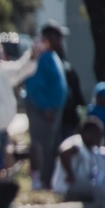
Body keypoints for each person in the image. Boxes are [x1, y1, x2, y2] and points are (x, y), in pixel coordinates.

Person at [23, 22, 69, 190]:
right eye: (58, 37)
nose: (61, 41)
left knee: (51, 147)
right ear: (49, 38)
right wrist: (46, 107)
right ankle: (41, 181)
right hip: (42, 110)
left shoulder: (53, 55)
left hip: (53, 110)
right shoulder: (40, 56)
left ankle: (50, 180)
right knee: (41, 146)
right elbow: (34, 86)